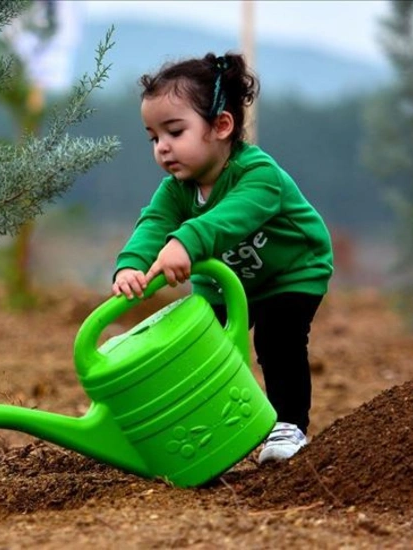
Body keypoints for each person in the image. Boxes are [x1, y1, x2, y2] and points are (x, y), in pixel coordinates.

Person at [112, 53, 334, 464]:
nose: (162, 148)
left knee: (276, 339)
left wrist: (185, 242)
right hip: (224, 280)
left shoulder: (258, 175)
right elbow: (153, 223)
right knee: (202, 347)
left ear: (221, 126)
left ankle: (289, 425)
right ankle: (207, 433)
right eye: (153, 137)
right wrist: (132, 263)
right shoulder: (176, 190)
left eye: (174, 132)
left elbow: (231, 219)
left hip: (289, 273)